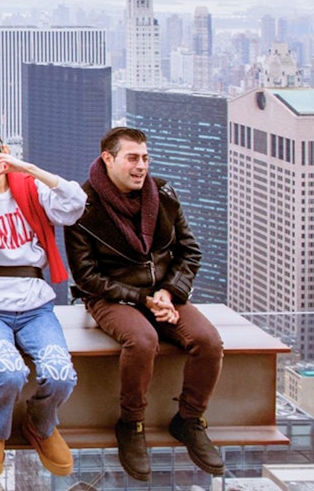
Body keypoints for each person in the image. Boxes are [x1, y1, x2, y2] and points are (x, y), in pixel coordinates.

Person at [65, 127, 225, 482]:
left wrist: (168, 293)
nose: (141, 166)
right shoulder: (83, 205)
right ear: (108, 159)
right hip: (112, 296)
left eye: (146, 158)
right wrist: (143, 299)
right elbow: (87, 276)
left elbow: (189, 252)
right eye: (133, 158)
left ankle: (189, 419)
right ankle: (132, 424)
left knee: (209, 341)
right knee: (142, 340)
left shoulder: (163, 193)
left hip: (165, 294)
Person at [0, 125, 83, 477]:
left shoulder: (29, 189)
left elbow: (74, 206)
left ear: (4, 150)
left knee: (61, 375)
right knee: (9, 372)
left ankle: (41, 425)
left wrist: (27, 169)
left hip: (35, 305)